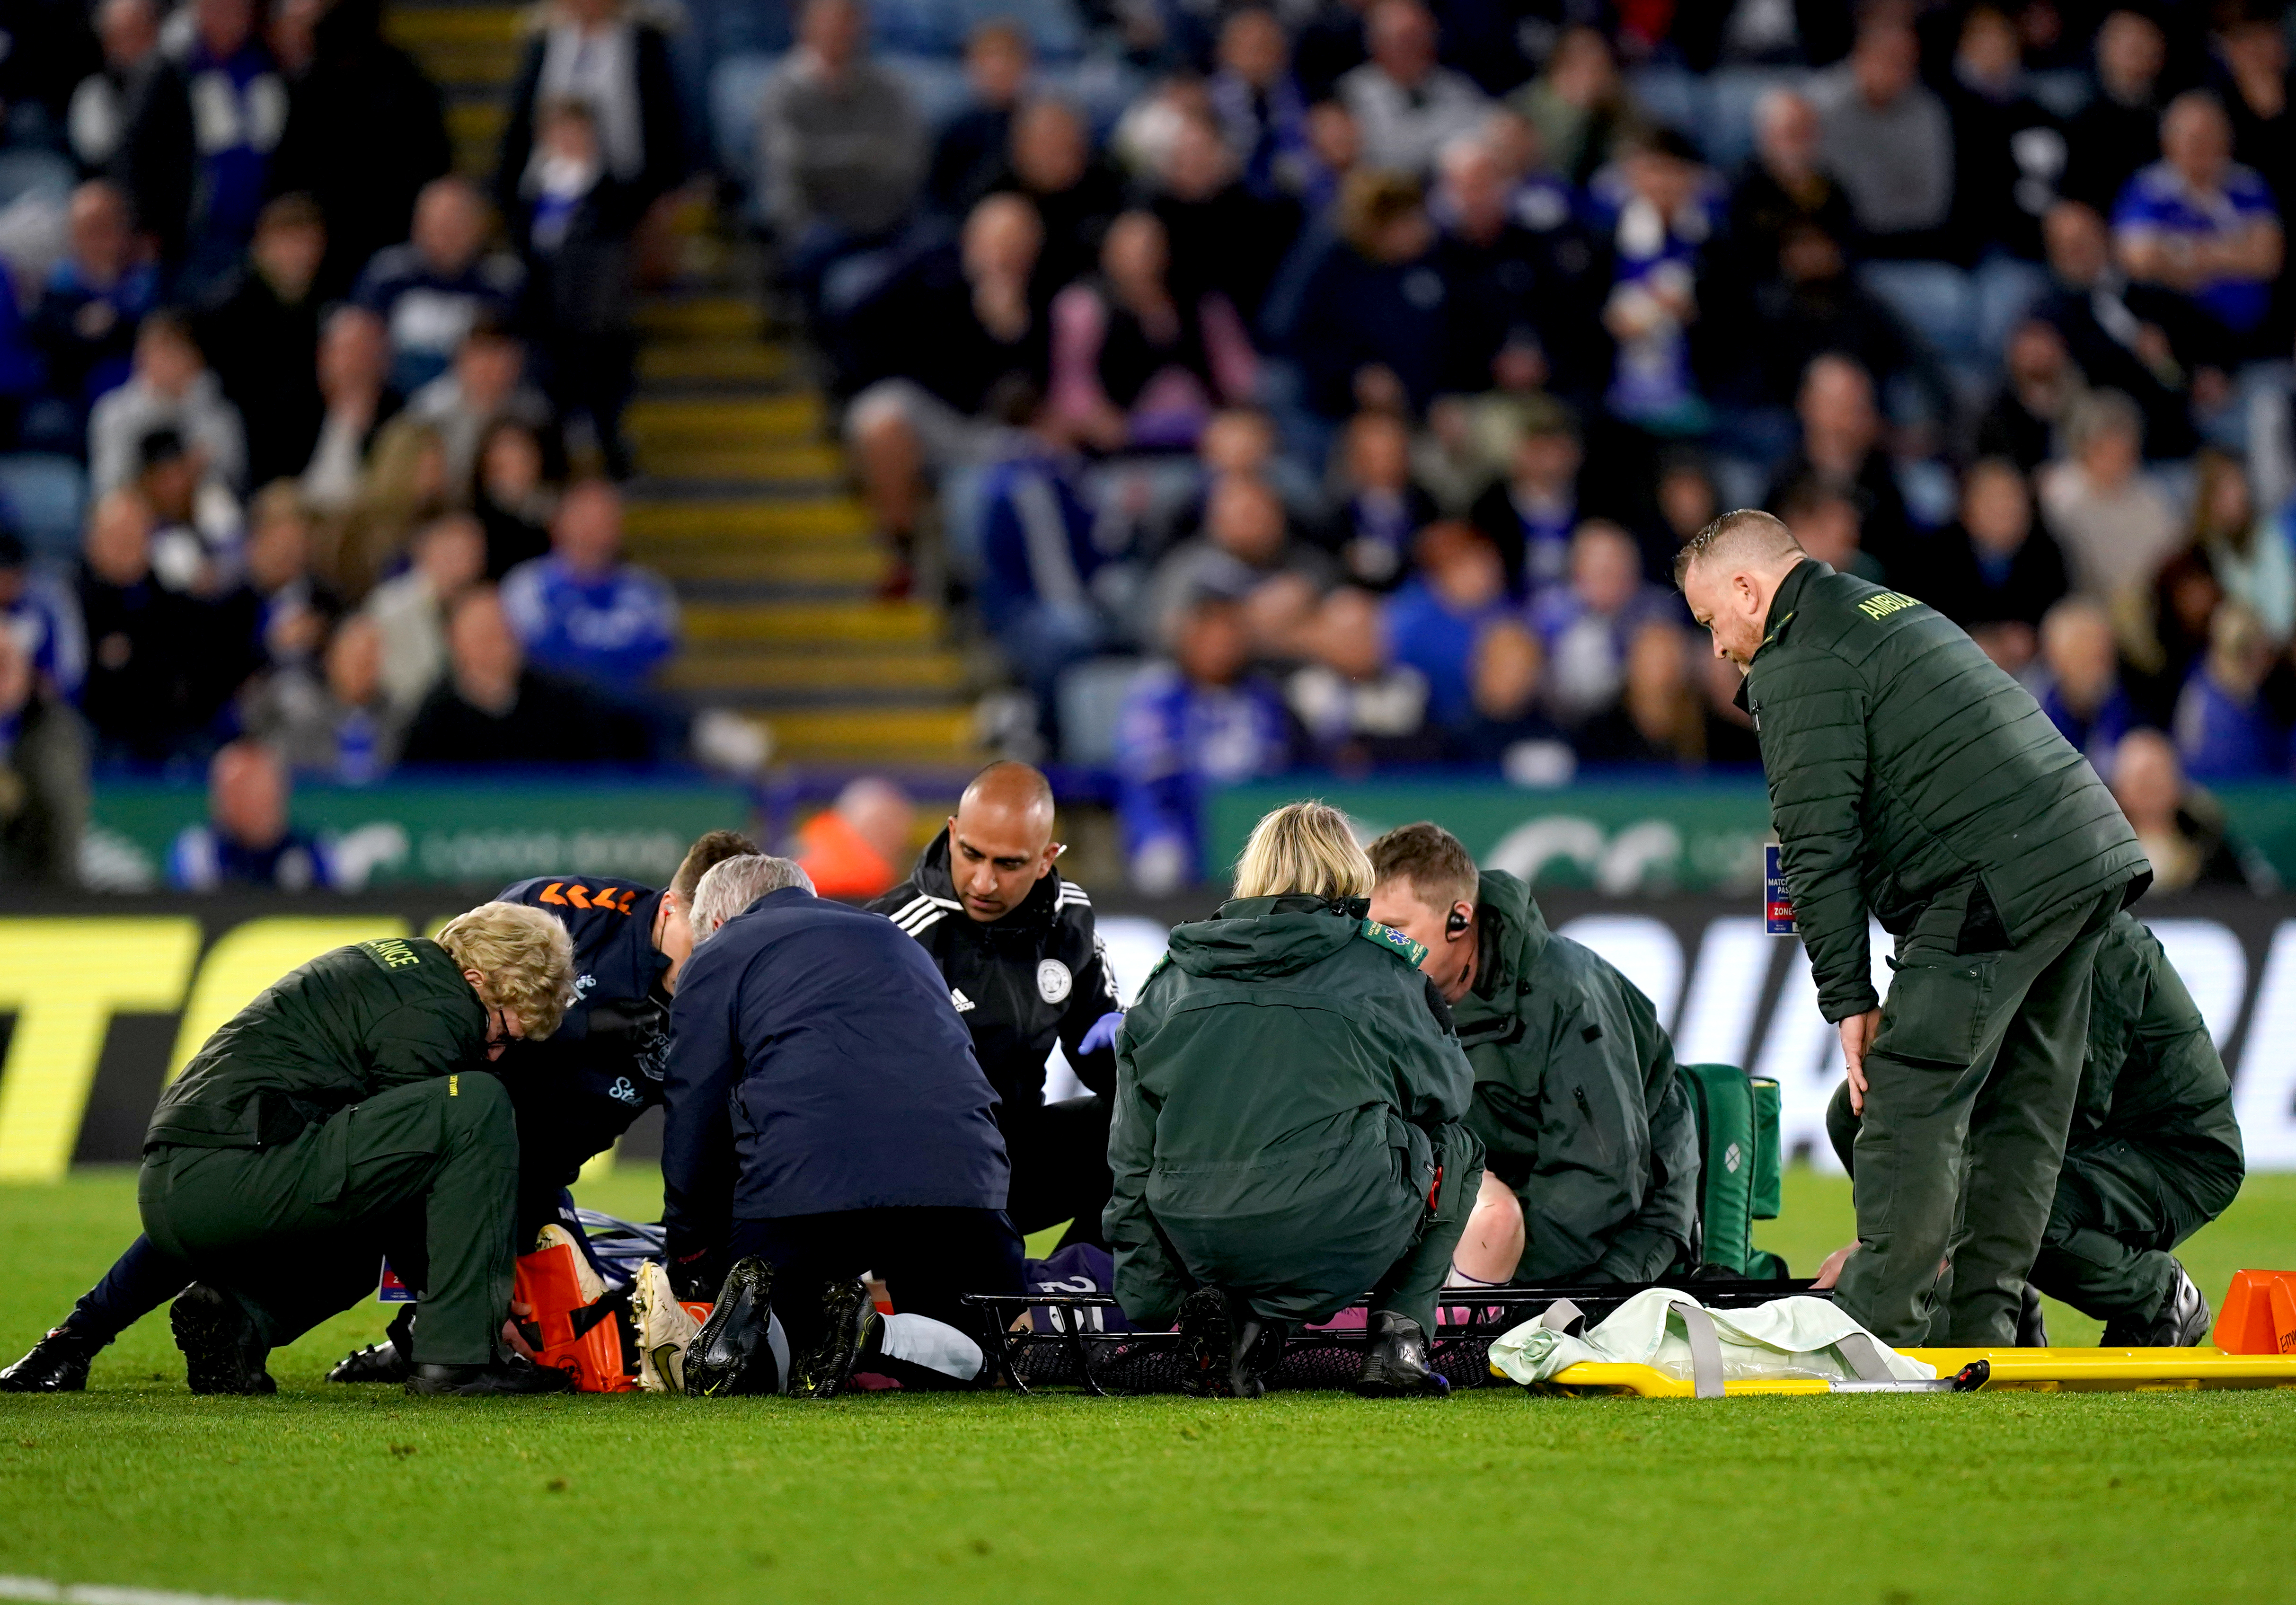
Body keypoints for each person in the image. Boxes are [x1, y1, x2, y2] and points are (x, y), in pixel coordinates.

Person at [1675, 509, 2148, 1347]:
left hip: (1988, 882)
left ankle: (1878, 1324)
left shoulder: (1798, 660)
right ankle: (1979, 1326)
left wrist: (1847, 997)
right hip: (2079, 858)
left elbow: (1818, 849)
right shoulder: (1880, 607)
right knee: (2019, 1115)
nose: (1716, 646)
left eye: (1711, 619)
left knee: (1906, 1100)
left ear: (1749, 590)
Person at [318, 828, 759, 1384]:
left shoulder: (737, 991)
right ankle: (250, 1309)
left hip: (540, 1182)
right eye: (698, 949)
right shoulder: (561, 910)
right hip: (456, 1150)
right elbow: (457, 989)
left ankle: (424, 1333)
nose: (703, 975)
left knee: (573, 1346)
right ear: (671, 907)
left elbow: (710, 1141)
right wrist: (583, 1026)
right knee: (360, 1220)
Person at [1108, 801, 1484, 1399]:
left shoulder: (1170, 978)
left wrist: (1151, 1302)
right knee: (1456, 1146)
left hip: (1199, 1238)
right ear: (1349, 871)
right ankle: (1398, 1343)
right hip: (1336, 1231)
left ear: (1252, 873)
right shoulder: (1384, 970)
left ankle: (1243, 1328)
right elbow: (1449, 1094)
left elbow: (1131, 1156)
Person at [129, 905, 571, 1394]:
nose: (497, 1053)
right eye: (504, 1032)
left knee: (368, 1217)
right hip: (230, 1175)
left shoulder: (400, 973)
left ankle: (239, 1318)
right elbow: (420, 1195)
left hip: (182, 1185)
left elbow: (389, 1183)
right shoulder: (442, 1008)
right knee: (479, 1102)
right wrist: (482, 1310)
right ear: (477, 979)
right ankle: (457, 1362)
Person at [661, 855, 1023, 1397]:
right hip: (962, 1189)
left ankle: (789, 1337)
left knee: (771, 1339)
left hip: (807, 1189)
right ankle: (878, 1335)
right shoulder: (899, 940)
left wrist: (691, 1258)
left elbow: (696, 1116)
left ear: (715, 924)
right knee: (988, 1357)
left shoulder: (723, 951)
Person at [1820, 911, 2243, 1347]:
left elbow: (2058, 1121)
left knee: (2016, 1203)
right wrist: (1893, 1240)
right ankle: (2002, 1296)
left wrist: (1916, 1251)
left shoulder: (2098, 948)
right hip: (2096, 1138)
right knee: (1857, 1111)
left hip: (2173, 1156)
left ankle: (2156, 1293)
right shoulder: (2006, 915)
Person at [1366, 821, 1699, 1287]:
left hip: (1625, 1222)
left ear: (1459, 919)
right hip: (1488, 1221)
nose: (1378, 947)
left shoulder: (1567, 996)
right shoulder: (1390, 995)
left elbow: (1601, 1181)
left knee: (1534, 1342)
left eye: (1394, 930)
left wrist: (1479, 1280)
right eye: (1370, 930)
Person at [870, 763, 1122, 1250]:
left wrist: (1125, 1044)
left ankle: (1078, 1285)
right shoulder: (889, 935)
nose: (984, 882)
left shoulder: (1068, 920)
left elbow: (1102, 1057)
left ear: (1046, 858)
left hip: (1014, 1155)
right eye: (971, 854)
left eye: (1008, 864)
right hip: (916, 1180)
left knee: (1145, 1123)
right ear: (952, 832)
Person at [400, 586, 648, 766]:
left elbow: (597, 778)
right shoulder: (435, 715)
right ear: (455, 643)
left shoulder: (564, 702)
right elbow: (416, 794)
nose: (499, 643)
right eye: (485, 635)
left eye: (504, 630)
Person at [499, 479, 678, 700]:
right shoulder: (527, 588)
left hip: (629, 714)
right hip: (550, 712)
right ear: (558, 523)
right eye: (584, 518)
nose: (593, 528)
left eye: (604, 518)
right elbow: (521, 658)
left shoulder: (648, 591)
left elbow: (661, 660)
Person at [353, 176, 526, 396]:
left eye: (456, 223)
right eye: (436, 223)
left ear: (479, 227)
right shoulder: (388, 274)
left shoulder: (502, 282)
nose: (446, 234)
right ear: (417, 226)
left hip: (478, 405)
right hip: (392, 401)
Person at [1337, 0, 1488, 175]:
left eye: (1422, 37)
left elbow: (1482, 135)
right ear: (1377, 45)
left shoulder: (1454, 85)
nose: (1416, 48)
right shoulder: (1352, 95)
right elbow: (1375, 156)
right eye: (1404, 41)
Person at [167, 740, 333, 891]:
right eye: (225, 790)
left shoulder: (314, 851)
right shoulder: (198, 850)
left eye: (245, 788)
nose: (232, 800)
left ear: (277, 792)